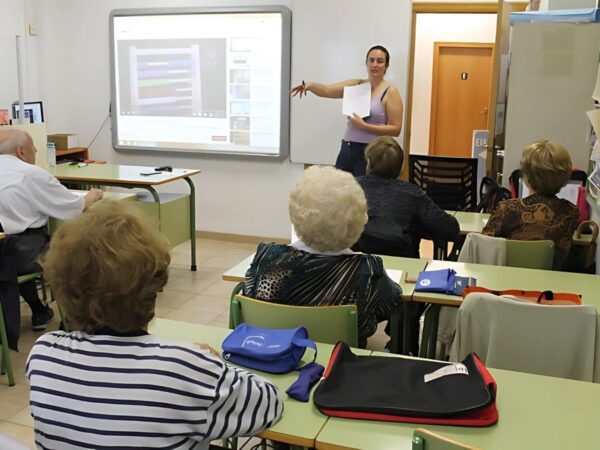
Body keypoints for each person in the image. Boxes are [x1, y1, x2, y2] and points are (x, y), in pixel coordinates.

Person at [28, 201, 283, 449]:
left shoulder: (43, 355)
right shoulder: (183, 367)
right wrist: (215, 364)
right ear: (153, 284)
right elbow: (270, 403)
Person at [244, 166, 401, 348]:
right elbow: (392, 303)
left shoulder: (267, 257)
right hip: (337, 368)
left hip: (271, 360)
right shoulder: (367, 269)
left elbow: (249, 293)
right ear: (357, 217)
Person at [0, 129, 103, 330]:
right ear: (21, 151)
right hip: (21, 253)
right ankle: (74, 320)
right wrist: (91, 196)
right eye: (33, 146)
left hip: (5, 252)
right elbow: (72, 208)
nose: (37, 150)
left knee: (12, 254)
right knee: (77, 255)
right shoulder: (31, 174)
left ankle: (39, 309)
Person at [290, 45, 403, 176]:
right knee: (341, 190)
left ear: (386, 65)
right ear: (366, 63)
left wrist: (364, 126)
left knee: (364, 192)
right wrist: (309, 86)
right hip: (348, 148)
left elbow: (396, 129)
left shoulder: (390, 91)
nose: (375, 65)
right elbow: (326, 90)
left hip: (372, 153)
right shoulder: (357, 85)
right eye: (371, 60)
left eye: (379, 61)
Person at [354, 136, 460, 258]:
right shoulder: (413, 194)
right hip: (404, 267)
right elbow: (450, 229)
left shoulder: (351, 188)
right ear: (400, 168)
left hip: (356, 266)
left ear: (368, 163)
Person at [482, 140, 578, 270]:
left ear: (527, 175)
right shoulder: (571, 212)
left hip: (506, 279)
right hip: (549, 283)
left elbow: (483, 245)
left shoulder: (507, 208)